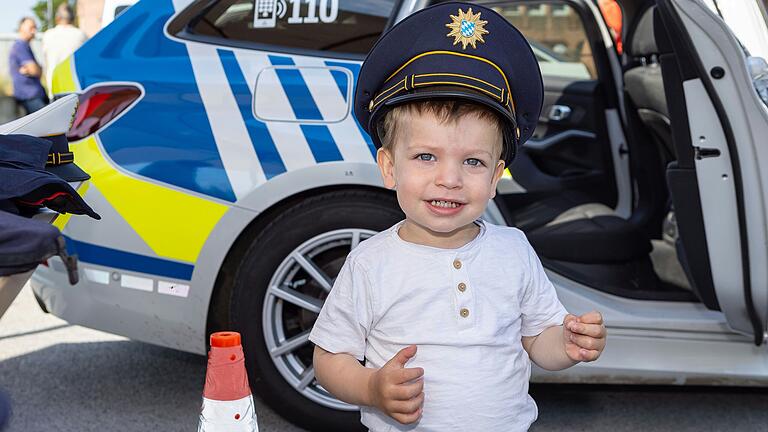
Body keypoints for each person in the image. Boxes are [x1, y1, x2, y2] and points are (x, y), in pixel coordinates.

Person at [309, 2, 607, 431]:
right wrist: (372, 388)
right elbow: (330, 357)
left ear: (496, 175)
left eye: (472, 162)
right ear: (390, 167)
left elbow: (539, 340)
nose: (449, 179)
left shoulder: (514, 250)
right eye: (426, 156)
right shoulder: (371, 264)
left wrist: (569, 341)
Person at [42, 3, 87, 96]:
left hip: (55, 87)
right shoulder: (81, 35)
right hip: (75, 86)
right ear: (73, 18)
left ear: (57, 18)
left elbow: (46, 62)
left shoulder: (47, 35)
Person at [8, 17, 48, 114]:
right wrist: (36, 68)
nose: (34, 31)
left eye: (35, 28)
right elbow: (35, 70)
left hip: (33, 95)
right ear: (21, 28)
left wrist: (36, 69)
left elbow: (38, 70)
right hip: (30, 96)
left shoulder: (25, 46)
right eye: (31, 27)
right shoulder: (20, 46)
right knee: (47, 124)